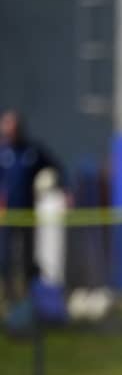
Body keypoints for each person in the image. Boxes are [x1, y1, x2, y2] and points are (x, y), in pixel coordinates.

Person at [0, 109, 61, 302]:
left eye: (15, 126)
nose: (12, 130)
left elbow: (55, 167)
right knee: (5, 259)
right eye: (8, 125)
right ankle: (8, 297)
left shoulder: (32, 151)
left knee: (27, 259)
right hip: (5, 216)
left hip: (27, 214)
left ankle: (29, 297)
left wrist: (64, 189)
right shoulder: (2, 152)